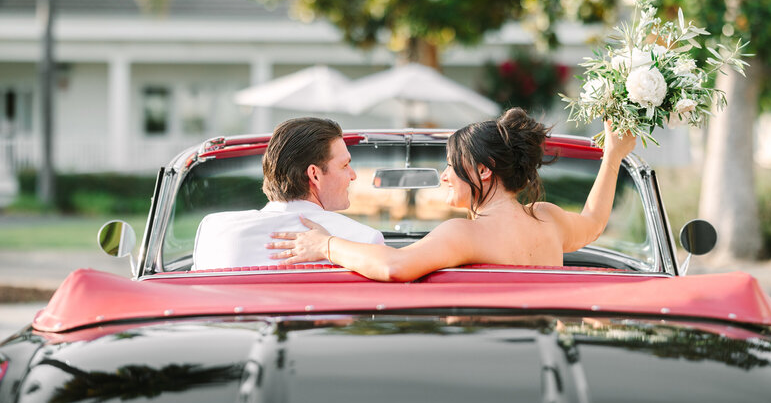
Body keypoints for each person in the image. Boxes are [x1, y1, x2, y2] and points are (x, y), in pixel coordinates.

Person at [265, 108, 636, 281]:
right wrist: (614, 155)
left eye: (450, 164)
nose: (444, 176)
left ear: (483, 170)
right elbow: (594, 222)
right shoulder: (548, 218)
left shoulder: (465, 234)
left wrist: (325, 245)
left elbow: (394, 267)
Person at [191, 117, 383, 270]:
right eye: (345, 165)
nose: (353, 175)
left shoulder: (213, 232)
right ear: (314, 175)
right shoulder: (364, 242)